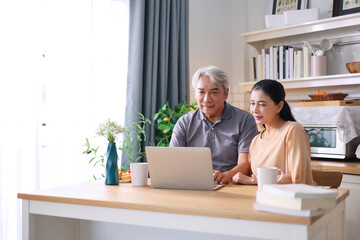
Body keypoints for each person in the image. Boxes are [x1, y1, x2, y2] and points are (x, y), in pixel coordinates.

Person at [169, 66, 258, 184]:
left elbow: (245, 164)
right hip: (192, 184)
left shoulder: (245, 120)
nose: (207, 99)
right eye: (201, 92)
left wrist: (225, 176)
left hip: (230, 185)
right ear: (195, 94)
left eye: (214, 92)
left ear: (226, 93)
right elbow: (173, 160)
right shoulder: (184, 122)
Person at [232, 79, 315, 185]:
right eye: (252, 104)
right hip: (263, 198)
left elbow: (297, 178)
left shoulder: (293, 130)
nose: (255, 109)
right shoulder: (256, 141)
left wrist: (254, 180)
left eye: (262, 104)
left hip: (291, 199)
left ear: (279, 106)